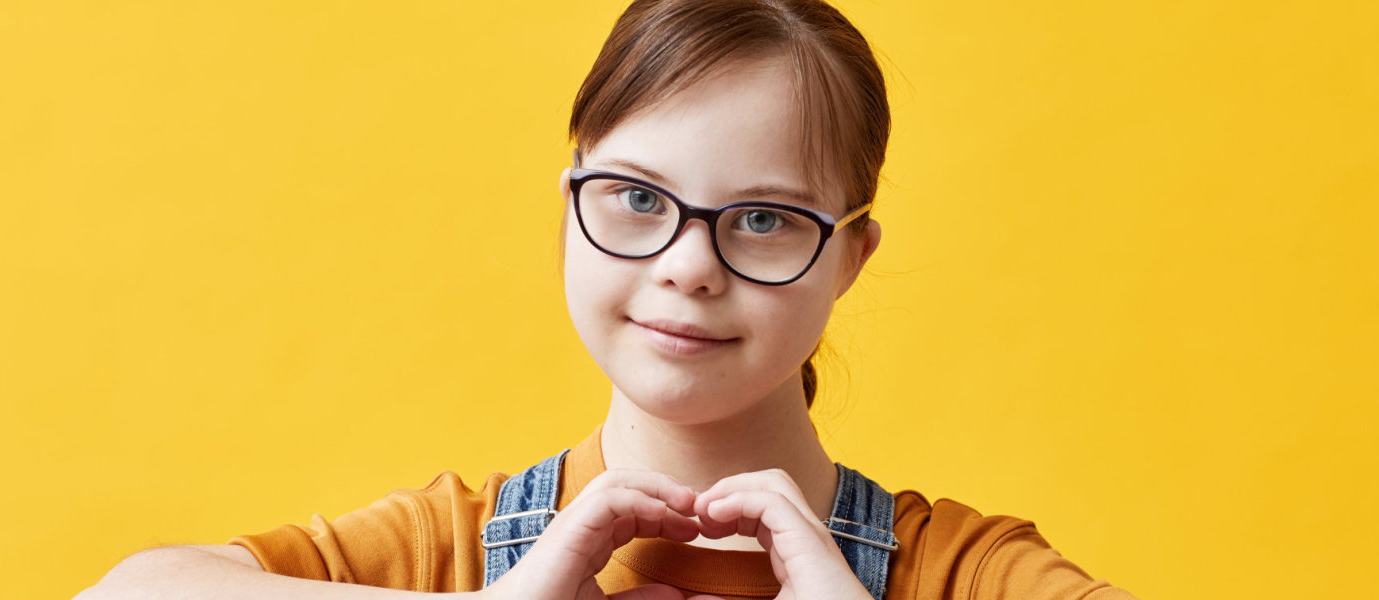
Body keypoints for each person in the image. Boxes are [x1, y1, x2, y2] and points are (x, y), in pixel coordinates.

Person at [79, 1, 1136, 598]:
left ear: (851, 255)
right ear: (572, 197)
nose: (687, 264)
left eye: (763, 218)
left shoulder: (959, 573)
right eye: (637, 198)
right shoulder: (452, 550)